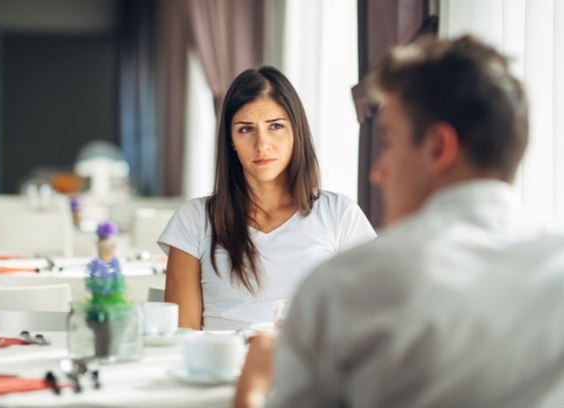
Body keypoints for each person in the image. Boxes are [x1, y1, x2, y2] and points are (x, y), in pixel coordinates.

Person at [234, 35, 564, 408]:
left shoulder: (344, 286)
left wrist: (253, 387)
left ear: (439, 147)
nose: (377, 172)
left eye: (388, 142)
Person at [158, 66, 376, 330]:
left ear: (296, 132)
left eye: (275, 126)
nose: (262, 145)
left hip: (308, 369)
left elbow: (371, 321)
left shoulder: (341, 215)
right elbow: (184, 338)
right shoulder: (193, 220)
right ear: (230, 140)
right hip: (221, 370)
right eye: (246, 129)